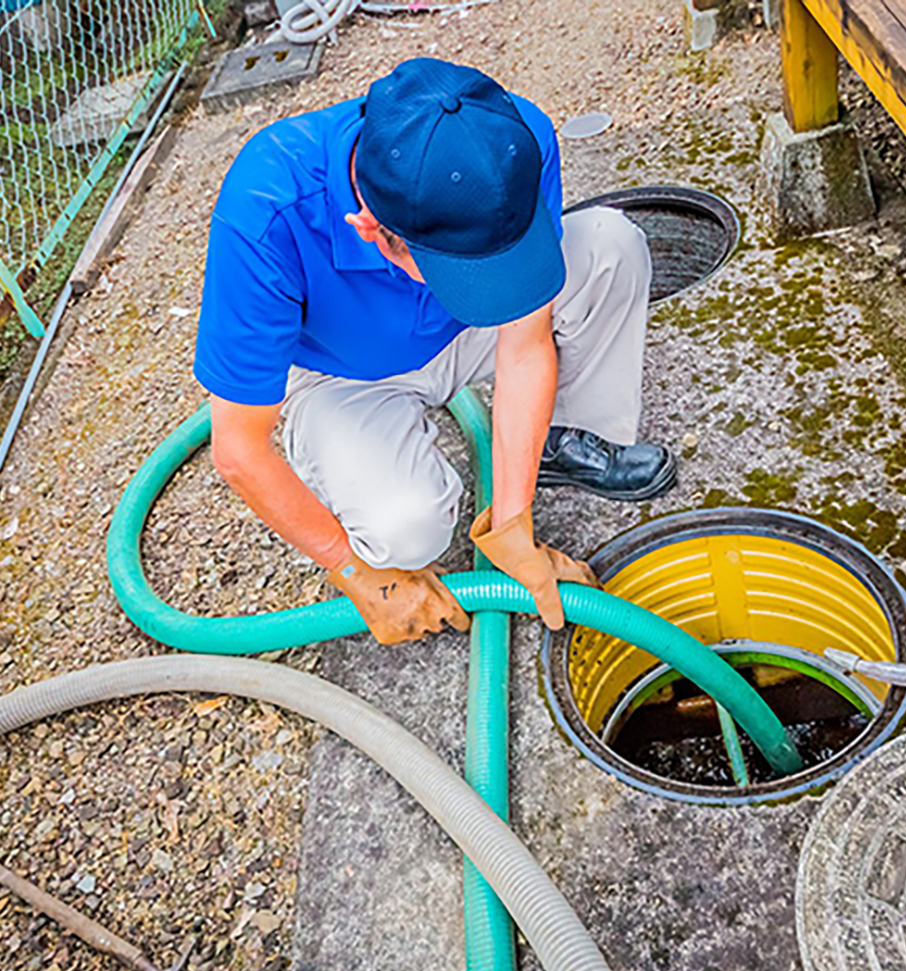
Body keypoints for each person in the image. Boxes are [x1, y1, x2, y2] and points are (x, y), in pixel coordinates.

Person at [194, 57, 677, 646]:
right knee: (407, 534)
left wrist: (512, 524)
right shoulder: (266, 208)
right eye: (463, 271)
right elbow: (239, 450)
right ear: (369, 227)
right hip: (349, 374)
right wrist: (354, 573)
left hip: (465, 334)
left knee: (610, 247)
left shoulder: (511, 143)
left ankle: (561, 439)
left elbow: (524, 342)